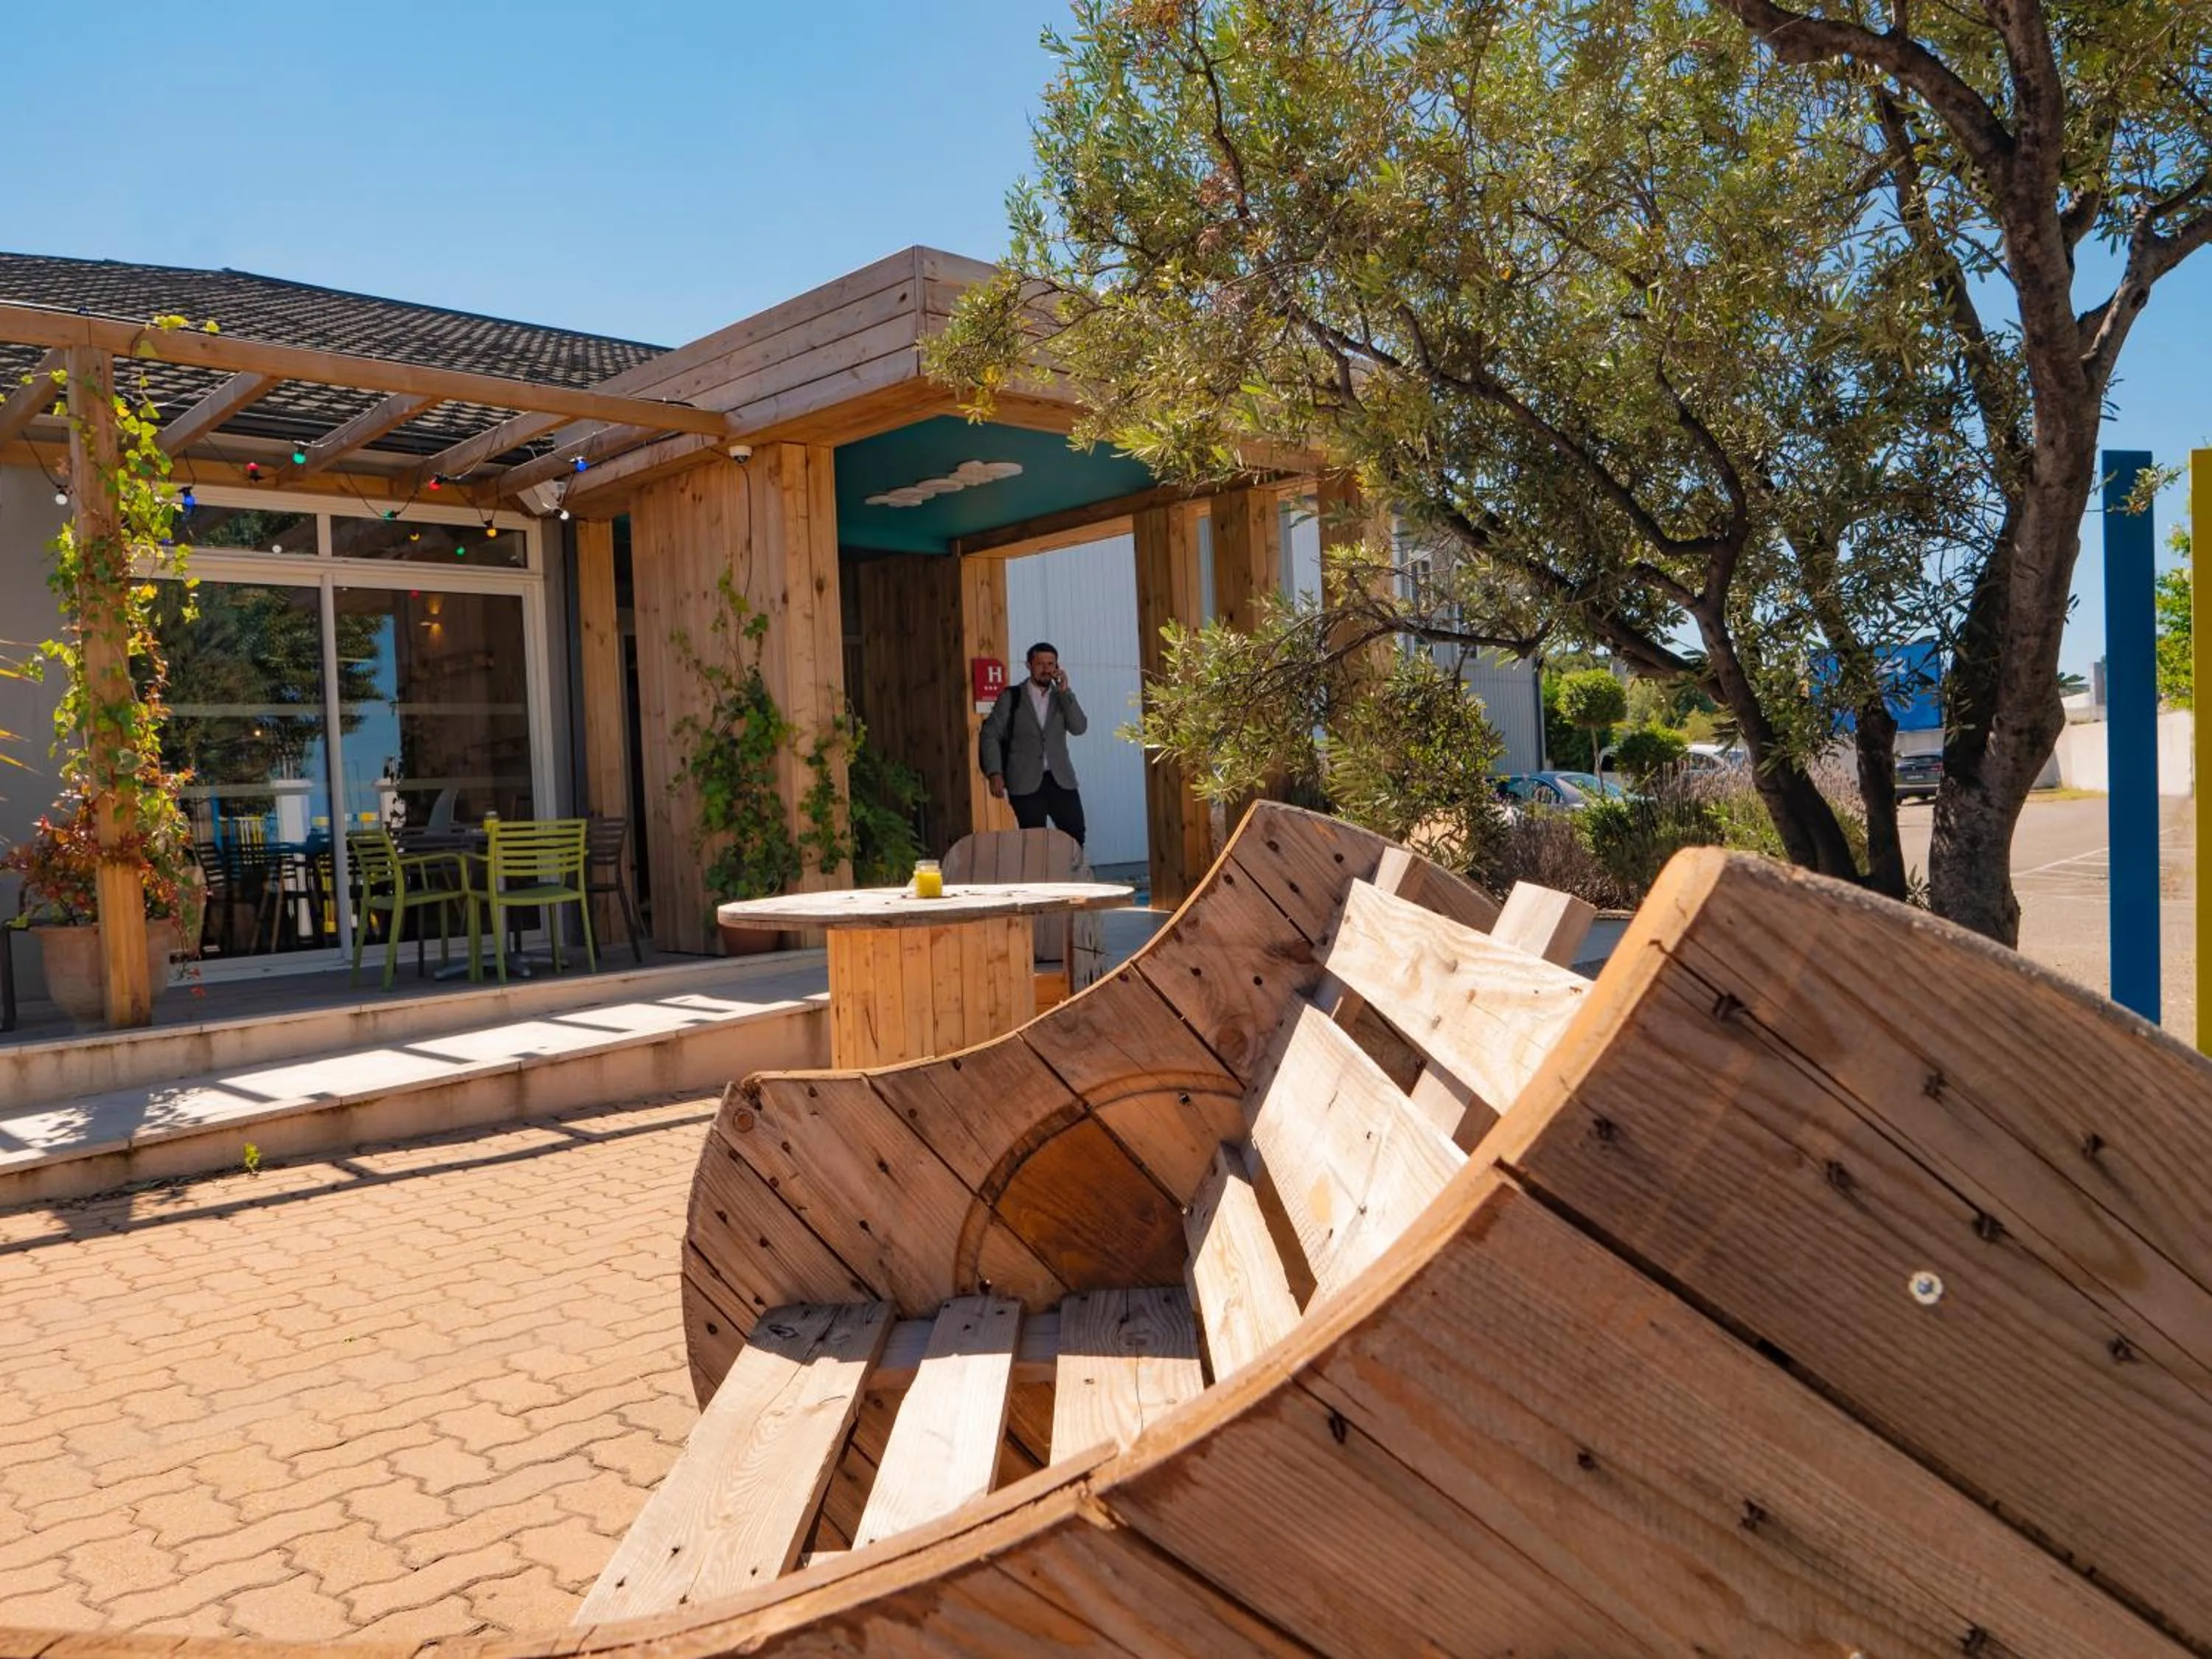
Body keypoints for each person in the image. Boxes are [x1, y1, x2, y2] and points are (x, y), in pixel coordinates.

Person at [978, 641, 1088, 846]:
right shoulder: (1012, 697)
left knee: (1075, 835)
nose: (1046, 669)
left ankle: (1069, 869)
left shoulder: (1061, 697)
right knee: (1033, 843)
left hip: (1060, 779)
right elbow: (990, 735)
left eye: (1051, 664)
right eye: (1040, 664)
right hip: (1024, 781)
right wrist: (995, 773)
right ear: (1029, 665)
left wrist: (1065, 692)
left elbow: (1079, 728)